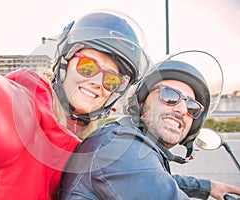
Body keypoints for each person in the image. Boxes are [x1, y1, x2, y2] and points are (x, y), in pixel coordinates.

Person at [0, 9, 151, 199]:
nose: (97, 82)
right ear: (64, 64)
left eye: (111, 80)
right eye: (88, 66)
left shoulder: (90, 142)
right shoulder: (28, 107)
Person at [59, 50, 240, 200]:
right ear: (142, 101)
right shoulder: (120, 147)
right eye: (170, 96)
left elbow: (154, 179)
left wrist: (207, 187)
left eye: (192, 107)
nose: (182, 109)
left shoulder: (129, 143)